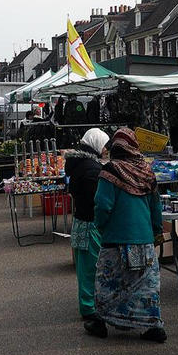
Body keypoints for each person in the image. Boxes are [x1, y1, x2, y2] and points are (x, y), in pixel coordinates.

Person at [85, 127, 166, 343]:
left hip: (115, 239)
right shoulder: (147, 172)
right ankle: (152, 326)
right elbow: (155, 207)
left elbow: (102, 204)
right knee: (145, 285)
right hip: (144, 239)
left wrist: (100, 225)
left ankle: (101, 321)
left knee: (109, 283)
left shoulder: (110, 171)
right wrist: (157, 231)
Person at [66, 128, 110, 321]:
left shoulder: (77, 163)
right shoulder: (91, 169)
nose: (105, 149)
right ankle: (90, 308)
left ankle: (88, 304)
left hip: (80, 221)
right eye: (104, 145)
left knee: (85, 268)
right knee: (92, 268)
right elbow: (97, 200)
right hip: (89, 223)